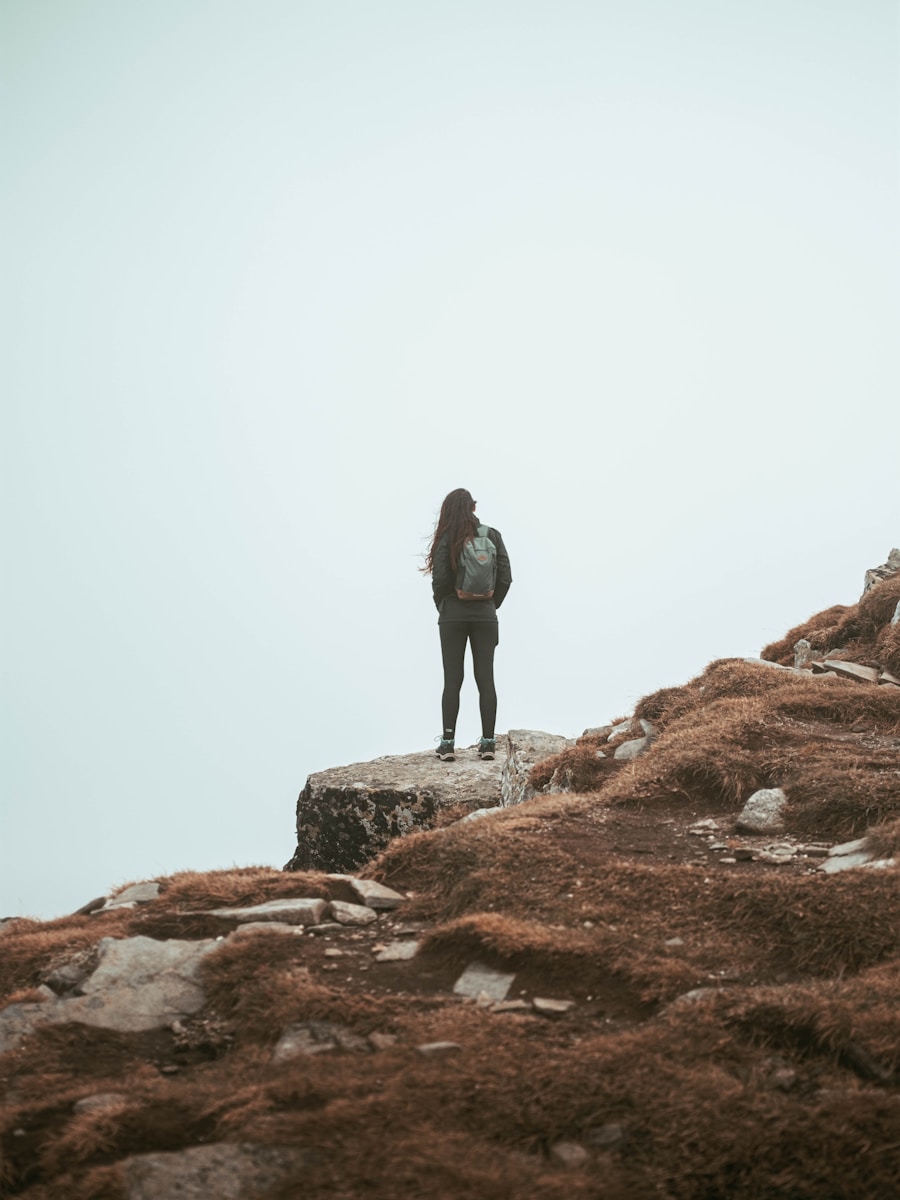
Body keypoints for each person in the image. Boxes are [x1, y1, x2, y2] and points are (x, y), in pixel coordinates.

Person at [423, 488, 512, 762]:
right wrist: (489, 604)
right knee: (485, 678)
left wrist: (446, 606)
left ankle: (447, 743)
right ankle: (487, 744)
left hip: (452, 615)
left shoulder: (447, 538)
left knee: (453, 680)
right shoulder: (491, 535)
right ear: (473, 507)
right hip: (485, 615)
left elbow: (439, 581)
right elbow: (506, 576)